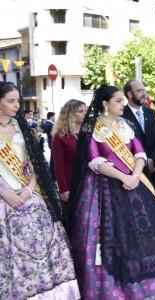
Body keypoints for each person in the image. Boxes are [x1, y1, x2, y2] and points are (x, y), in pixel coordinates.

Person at [67, 84, 155, 299]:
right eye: (118, 101)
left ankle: (147, 282)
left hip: (135, 182)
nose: (122, 105)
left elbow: (139, 152)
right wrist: (124, 177)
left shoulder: (125, 125)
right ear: (105, 103)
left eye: (122, 100)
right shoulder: (92, 127)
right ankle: (113, 287)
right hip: (105, 187)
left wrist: (135, 175)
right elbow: (94, 160)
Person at [0, 82, 80, 299]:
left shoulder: (21, 127)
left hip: (30, 194)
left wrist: (29, 189)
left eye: (18, 100)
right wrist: (6, 194)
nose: (17, 105)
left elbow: (36, 162)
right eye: (11, 101)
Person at [122, 80, 155, 190]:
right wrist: (144, 161)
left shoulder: (152, 113)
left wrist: (152, 158)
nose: (144, 94)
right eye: (139, 91)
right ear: (130, 95)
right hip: (132, 173)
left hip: (152, 171)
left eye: (144, 90)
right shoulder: (121, 116)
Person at [51, 99, 86, 204]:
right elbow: (58, 165)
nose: (85, 114)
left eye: (85, 110)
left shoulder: (88, 132)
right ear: (70, 114)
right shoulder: (60, 136)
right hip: (71, 181)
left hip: (90, 180)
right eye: (80, 111)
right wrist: (63, 189)